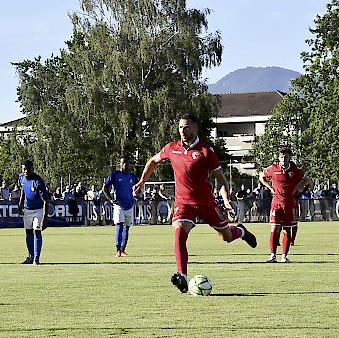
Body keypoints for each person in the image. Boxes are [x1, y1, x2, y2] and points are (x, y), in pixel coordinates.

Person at [134, 113, 257, 293]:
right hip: (184, 204)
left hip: (206, 203)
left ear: (195, 128)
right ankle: (182, 276)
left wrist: (225, 199)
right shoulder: (172, 148)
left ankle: (241, 231)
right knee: (179, 233)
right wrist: (142, 181)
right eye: (180, 127)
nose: (182, 131)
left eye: (186, 127)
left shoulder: (207, 151)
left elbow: (221, 180)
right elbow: (153, 160)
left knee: (227, 237)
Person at [259, 147, 305, 263]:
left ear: (290, 158)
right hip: (276, 204)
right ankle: (272, 256)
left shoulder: (295, 170)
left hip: (289, 204)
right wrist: (269, 187)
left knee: (287, 230)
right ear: (278, 158)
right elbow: (261, 177)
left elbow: (305, 179)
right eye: (281, 157)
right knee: (274, 228)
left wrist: (299, 187)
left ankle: (284, 256)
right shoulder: (273, 168)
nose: (283, 159)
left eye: (286, 157)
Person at [102, 156, 138, 257]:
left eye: (127, 163)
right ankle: (118, 250)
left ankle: (123, 249)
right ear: (120, 164)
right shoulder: (115, 174)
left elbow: (138, 186)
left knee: (127, 227)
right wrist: (111, 200)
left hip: (130, 204)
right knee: (119, 225)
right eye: (123, 163)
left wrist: (136, 195)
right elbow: (105, 188)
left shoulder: (132, 176)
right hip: (118, 204)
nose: (125, 165)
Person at [18, 160, 49, 265]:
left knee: (37, 231)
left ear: (32, 169)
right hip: (27, 210)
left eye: (28, 169)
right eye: (24, 169)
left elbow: (46, 200)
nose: (25, 171)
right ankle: (30, 256)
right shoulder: (21, 178)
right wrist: (19, 205)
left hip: (38, 210)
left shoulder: (38, 181)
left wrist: (45, 219)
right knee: (28, 232)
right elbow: (22, 191)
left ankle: (36, 258)